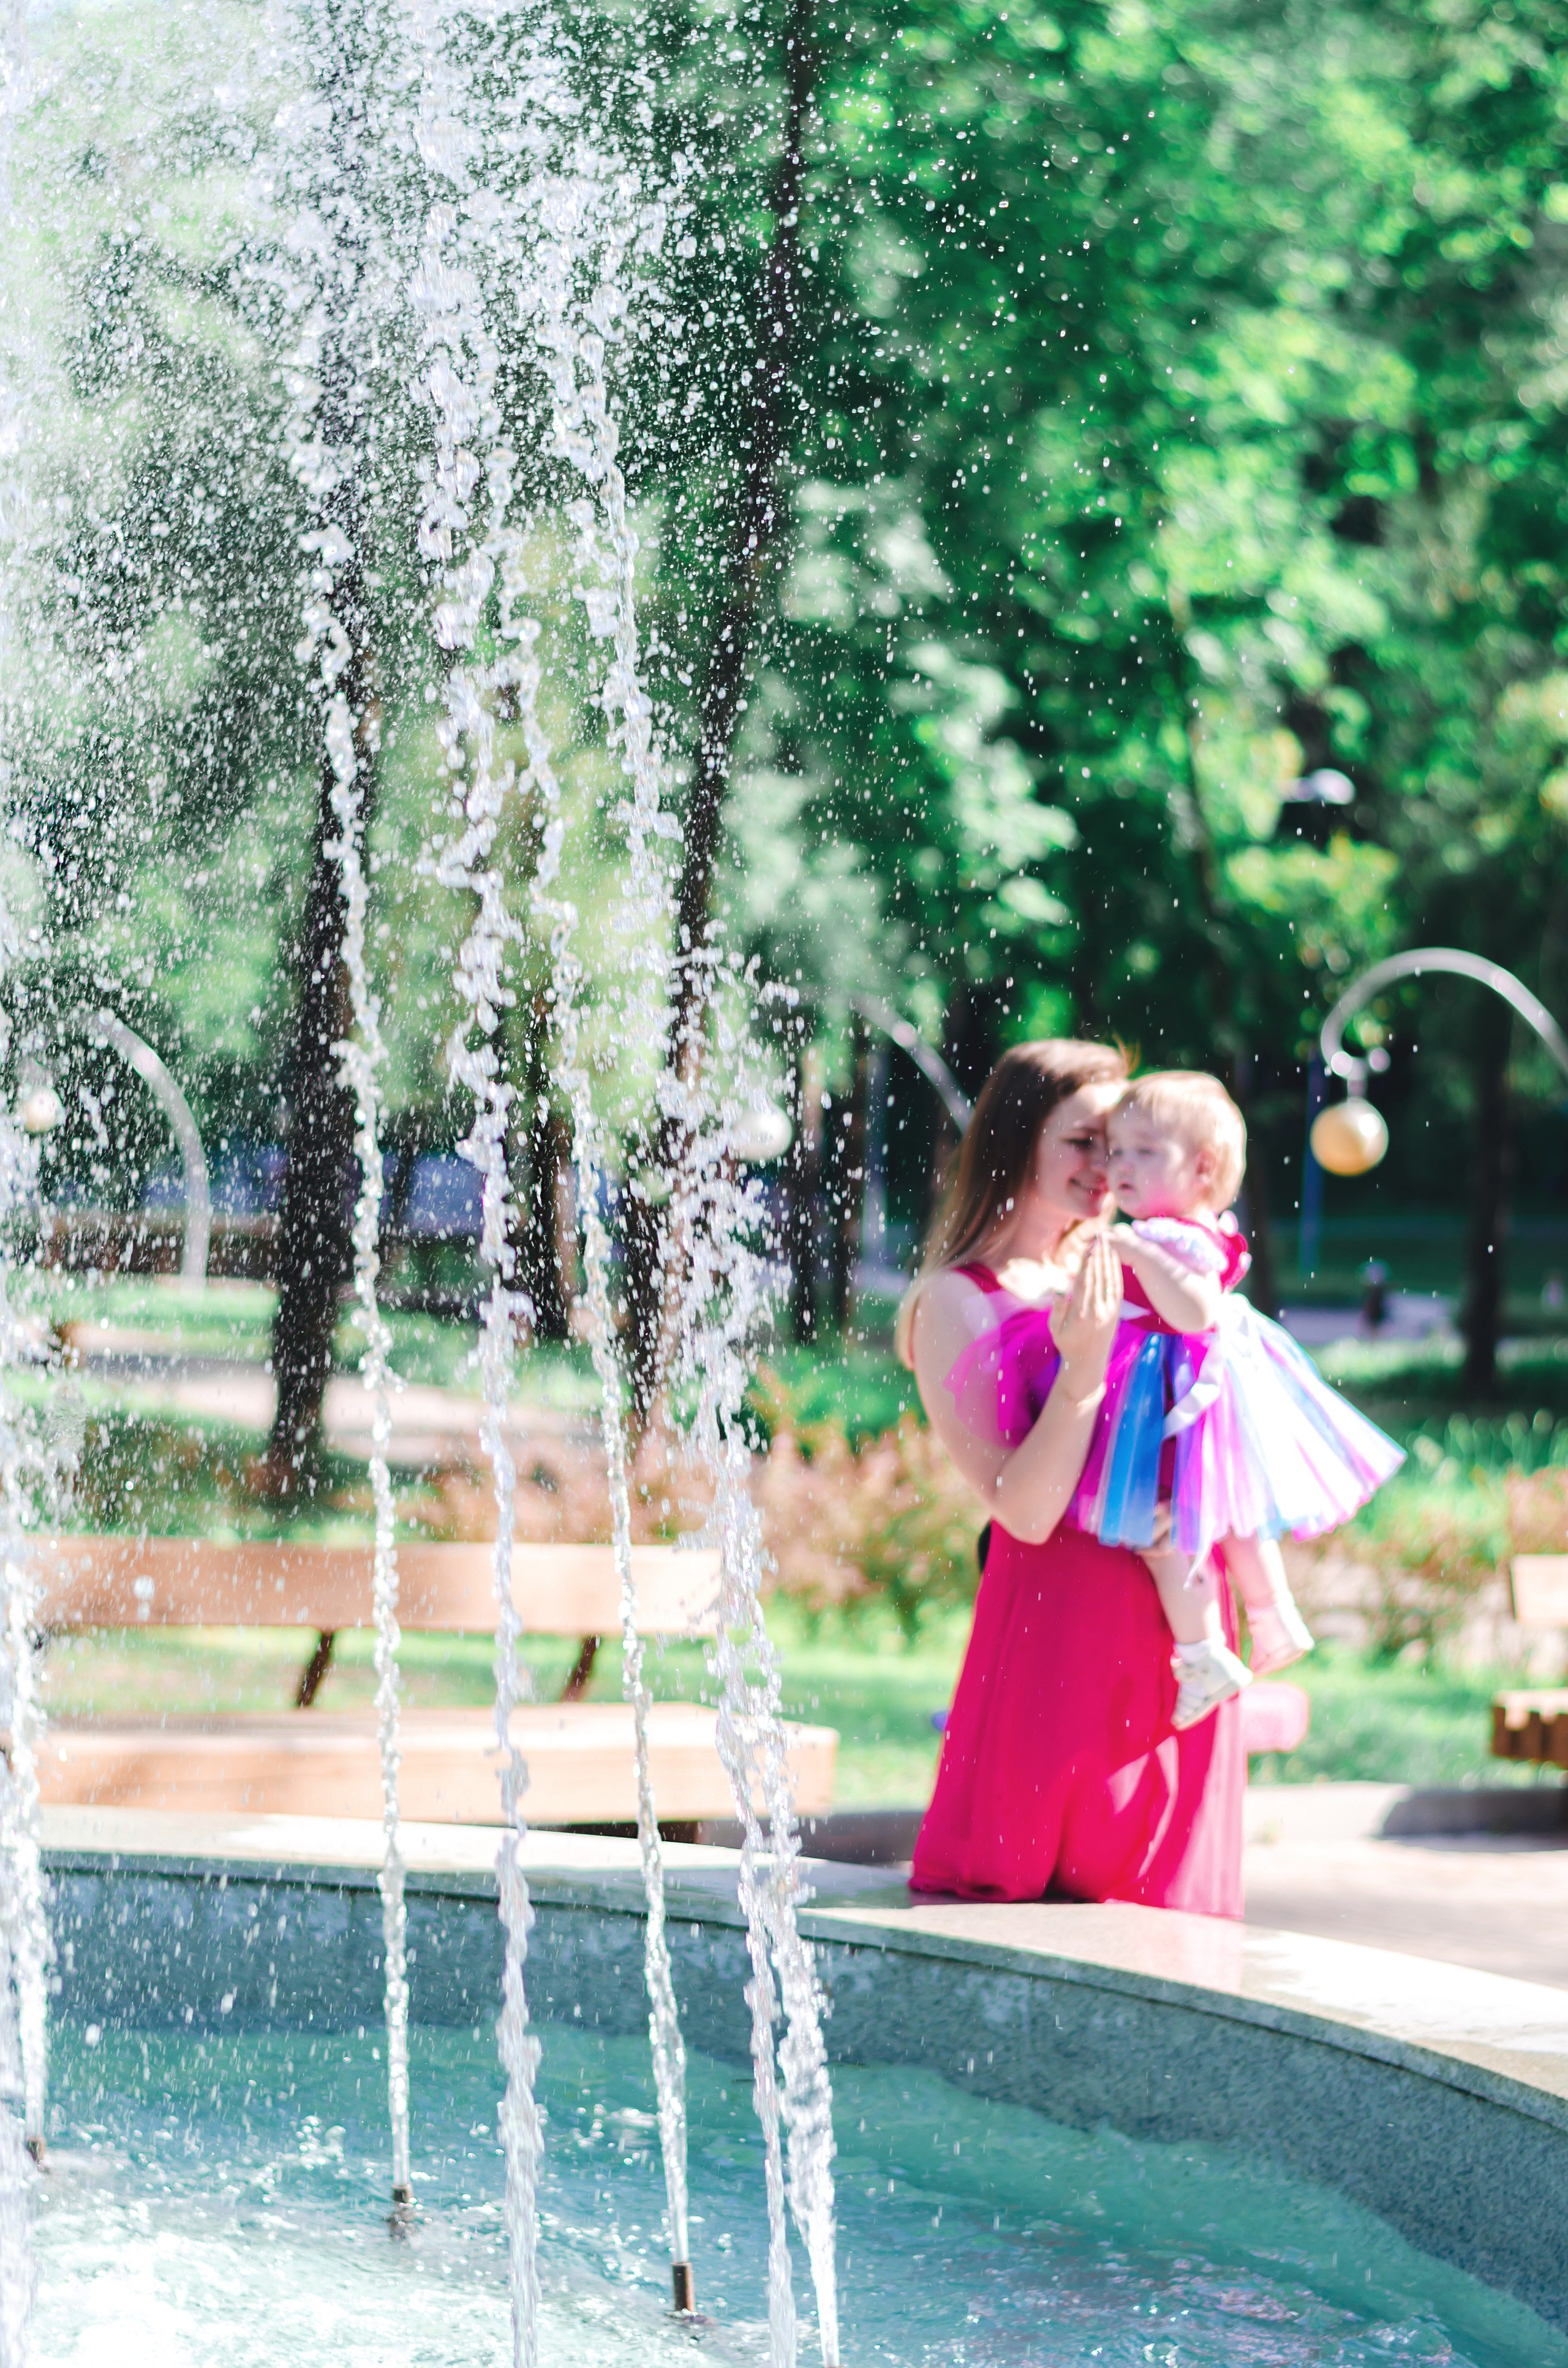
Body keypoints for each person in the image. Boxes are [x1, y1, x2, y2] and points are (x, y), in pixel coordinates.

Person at [901, 1038, 1243, 1915]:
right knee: (1055, 1910)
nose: (1109, 1163)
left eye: (1122, 1142)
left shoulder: (1139, 1265)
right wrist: (1083, 1369)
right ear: (1018, 1140)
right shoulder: (958, 1300)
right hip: (1063, 1634)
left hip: (1179, 1621)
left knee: (1178, 1913)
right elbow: (1023, 1512)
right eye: (1084, 1140)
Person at [1074, 1072, 1401, 1731]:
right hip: (1188, 1391)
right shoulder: (1191, 1230)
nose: (1120, 1165)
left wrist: (1135, 1250)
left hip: (1171, 1400)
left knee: (1164, 1529)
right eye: (1116, 1150)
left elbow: (1196, 1310)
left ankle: (1204, 1654)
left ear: (1202, 1168)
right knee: (1230, 1513)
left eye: (1144, 1151)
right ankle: (1272, 1612)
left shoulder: (1171, 1238)